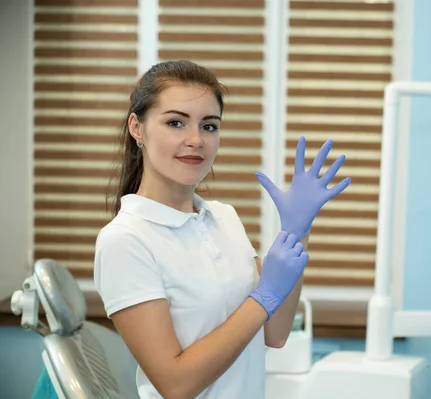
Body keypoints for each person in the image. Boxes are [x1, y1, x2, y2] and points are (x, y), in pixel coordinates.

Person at [93, 60, 351, 399]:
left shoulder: (224, 218)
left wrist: (297, 232)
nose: (196, 140)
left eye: (209, 126)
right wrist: (264, 296)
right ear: (137, 128)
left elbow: (275, 334)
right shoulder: (125, 241)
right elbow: (176, 384)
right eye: (175, 122)